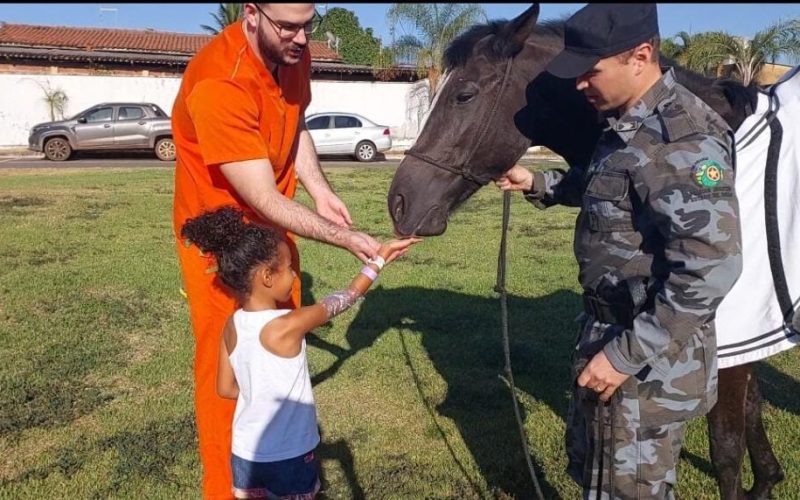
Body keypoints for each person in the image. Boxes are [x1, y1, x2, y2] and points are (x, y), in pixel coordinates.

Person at [496, 4, 743, 498]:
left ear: (641, 56)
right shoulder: (627, 123)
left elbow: (712, 267)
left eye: (590, 72)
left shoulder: (682, 139)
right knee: (598, 480)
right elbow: (607, 188)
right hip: (610, 335)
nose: (579, 84)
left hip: (645, 362)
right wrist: (538, 183)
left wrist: (624, 356)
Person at [171, 4, 381, 497]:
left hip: (272, 234)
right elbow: (261, 196)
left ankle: (284, 462)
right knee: (229, 378)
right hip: (222, 244)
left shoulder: (293, 54)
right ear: (251, 14)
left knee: (280, 361)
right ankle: (230, 488)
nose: (303, 38)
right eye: (288, 25)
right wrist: (348, 239)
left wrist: (320, 189)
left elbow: (295, 121)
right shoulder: (220, 81)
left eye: (309, 23)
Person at [180, 206, 419, 499]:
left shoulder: (232, 325)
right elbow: (346, 298)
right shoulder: (287, 325)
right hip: (289, 456)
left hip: (245, 454)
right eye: (289, 267)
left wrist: (261, 390)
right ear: (267, 276)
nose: (294, 275)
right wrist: (380, 259)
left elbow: (225, 388)